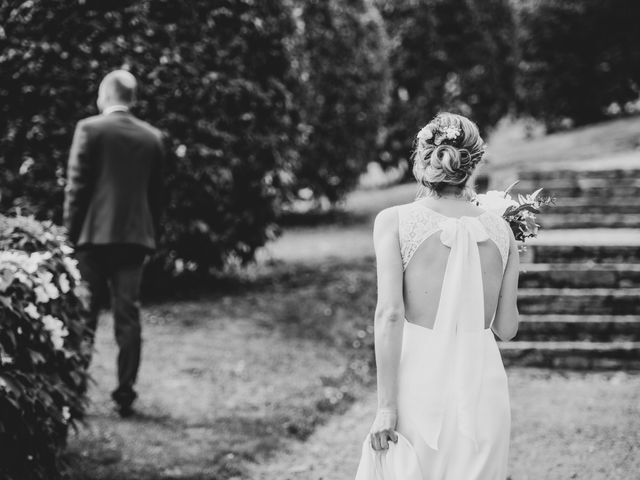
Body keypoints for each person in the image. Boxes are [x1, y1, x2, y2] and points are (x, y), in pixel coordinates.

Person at [355, 112, 520, 479]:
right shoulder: (503, 231)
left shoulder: (394, 221)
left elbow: (390, 315)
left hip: (419, 383)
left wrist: (386, 407)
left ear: (424, 158)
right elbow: (507, 328)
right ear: (473, 162)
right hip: (483, 388)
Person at [63, 70, 164, 417]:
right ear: (132, 99)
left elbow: (76, 189)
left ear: (105, 95)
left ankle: (74, 392)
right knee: (128, 317)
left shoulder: (89, 129)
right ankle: (124, 395)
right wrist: (152, 237)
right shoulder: (152, 138)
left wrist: (68, 237)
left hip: (92, 238)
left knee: (84, 317)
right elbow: (158, 197)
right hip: (134, 240)